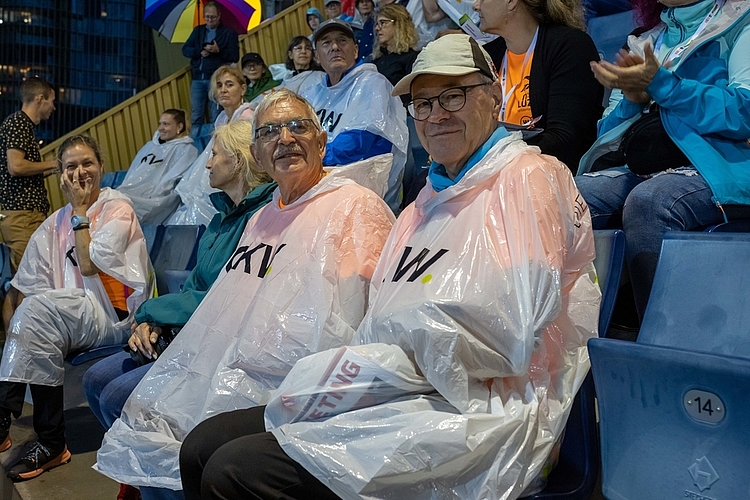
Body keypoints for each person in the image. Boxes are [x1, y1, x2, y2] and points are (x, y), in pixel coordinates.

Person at [180, 34, 599, 500]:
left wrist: (395, 350)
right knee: (202, 445)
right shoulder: (425, 201)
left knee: (233, 471)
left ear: (493, 95)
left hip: (481, 411)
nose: (436, 114)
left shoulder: (528, 179)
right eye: (422, 103)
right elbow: (381, 317)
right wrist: (379, 360)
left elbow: (508, 340)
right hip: (400, 387)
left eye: (453, 95)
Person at [93, 89, 395, 498]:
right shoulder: (265, 216)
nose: (285, 138)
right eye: (270, 131)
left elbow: (366, 322)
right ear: (257, 151)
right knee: (149, 412)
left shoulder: (356, 207)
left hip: (299, 384)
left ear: (321, 141)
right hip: (236, 367)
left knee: (200, 445)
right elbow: (227, 305)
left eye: (297, 126)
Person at [83, 120, 276, 500]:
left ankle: (165, 486)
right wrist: (152, 319)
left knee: (118, 396)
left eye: (215, 154)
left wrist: (151, 312)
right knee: (95, 381)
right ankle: (141, 478)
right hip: (184, 329)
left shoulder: (260, 219)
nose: (207, 164)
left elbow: (219, 298)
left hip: (213, 340)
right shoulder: (221, 218)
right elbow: (192, 287)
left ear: (238, 161)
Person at [576, 0, 750, 320]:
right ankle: (565, 352)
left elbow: (744, 112)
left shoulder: (741, 20)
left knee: (652, 200)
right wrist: (633, 100)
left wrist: (664, 86)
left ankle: (663, 348)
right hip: (648, 165)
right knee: (561, 196)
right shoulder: (646, 40)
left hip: (721, 166)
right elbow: (607, 132)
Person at [0, 135, 152, 482]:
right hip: (71, 317)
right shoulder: (54, 221)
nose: (80, 172)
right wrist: (17, 332)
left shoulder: (118, 207)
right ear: (60, 175)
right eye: (70, 166)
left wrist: (82, 213)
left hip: (113, 317)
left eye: (87, 163)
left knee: (37, 313)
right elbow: (22, 290)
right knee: (31, 312)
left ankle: (40, 436)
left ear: (101, 167)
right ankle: (22, 428)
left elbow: (87, 265)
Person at [473, 0, 604, 173]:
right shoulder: (486, 56)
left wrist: (484, 157)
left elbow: (563, 139)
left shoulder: (570, 46)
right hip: (497, 166)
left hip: (551, 173)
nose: (475, 5)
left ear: (512, 2)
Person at [303, 18, 408, 212]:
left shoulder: (374, 84)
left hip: (364, 195)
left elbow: (361, 142)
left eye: (342, 40)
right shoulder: (311, 93)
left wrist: (309, 157)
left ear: (356, 50)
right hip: (318, 184)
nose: (335, 47)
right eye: (326, 42)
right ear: (317, 56)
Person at [168, 66, 253, 226]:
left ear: (242, 89)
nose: (223, 90)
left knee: (198, 207)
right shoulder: (221, 118)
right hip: (222, 171)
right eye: (219, 85)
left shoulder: (247, 116)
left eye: (229, 85)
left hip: (237, 178)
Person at [0, 77, 59, 274]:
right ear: (40, 98)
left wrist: (56, 168)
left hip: (24, 215)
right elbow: (16, 167)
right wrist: (55, 163)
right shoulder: (19, 123)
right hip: (23, 215)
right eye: (52, 101)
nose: (54, 107)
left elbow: (25, 172)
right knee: (29, 279)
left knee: (20, 282)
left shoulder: (22, 125)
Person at [117, 109, 199, 225]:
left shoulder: (187, 151)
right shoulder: (149, 146)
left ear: (179, 127)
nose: (160, 128)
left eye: (166, 124)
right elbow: (132, 175)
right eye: (160, 124)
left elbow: (171, 183)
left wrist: (152, 197)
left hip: (159, 200)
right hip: (134, 194)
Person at [182, 2, 240, 136]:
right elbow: (185, 50)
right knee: (196, 116)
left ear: (219, 16)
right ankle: (197, 146)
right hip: (197, 78)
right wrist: (199, 51)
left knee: (217, 116)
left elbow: (234, 56)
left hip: (217, 80)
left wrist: (218, 51)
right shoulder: (198, 31)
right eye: (207, 17)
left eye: (212, 17)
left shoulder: (228, 33)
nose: (209, 20)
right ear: (203, 16)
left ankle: (214, 145)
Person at [372, 4, 420, 92]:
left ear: (399, 24)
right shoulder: (377, 60)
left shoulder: (412, 58)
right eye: (377, 24)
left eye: (383, 22)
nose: (377, 28)